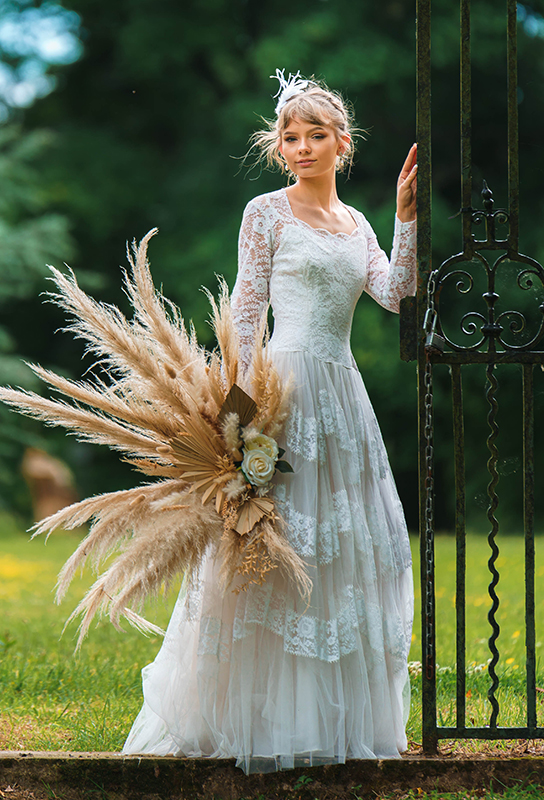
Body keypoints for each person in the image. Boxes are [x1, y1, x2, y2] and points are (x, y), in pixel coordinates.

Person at [122, 71, 417, 773]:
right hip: (279, 393)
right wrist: (236, 421)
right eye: (292, 136)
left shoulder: (359, 224)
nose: (304, 146)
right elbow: (245, 323)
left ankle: (330, 722)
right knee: (262, 551)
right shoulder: (265, 213)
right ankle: (251, 723)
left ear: (343, 145)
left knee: (343, 553)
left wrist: (406, 216)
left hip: (343, 398)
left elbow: (397, 295)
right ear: (279, 147)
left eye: (318, 135)